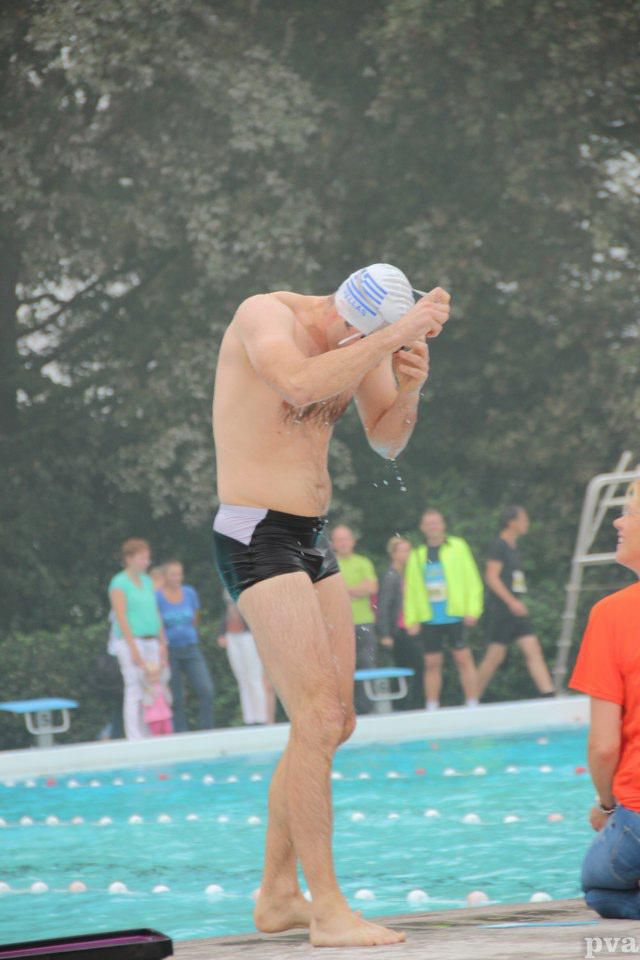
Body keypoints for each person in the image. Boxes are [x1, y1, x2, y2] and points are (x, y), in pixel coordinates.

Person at [212, 262, 449, 947]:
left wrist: (409, 387)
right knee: (313, 716)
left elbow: (386, 436)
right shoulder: (267, 315)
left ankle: (278, 893)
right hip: (254, 530)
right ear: (344, 311)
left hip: (310, 538)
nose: (358, 344)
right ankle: (328, 911)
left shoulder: (361, 340)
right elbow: (295, 382)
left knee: (336, 721)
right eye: (359, 334)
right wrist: (394, 334)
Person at [569, 479, 640, 919]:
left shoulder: (612, 614)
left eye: (631, 511)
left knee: (599, 888)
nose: (618, 519)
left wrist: (607, 807)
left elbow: (603, 746)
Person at [403, 509, 482, 710]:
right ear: (422, 528)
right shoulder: (416, 555)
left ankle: (473, 702)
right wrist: (410, 619)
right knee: (431, 662)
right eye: (428, 523)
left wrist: (473, 609)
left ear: (443, 525)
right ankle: (432, 705)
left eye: (436, 522)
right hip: (430, 616)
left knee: (463, 658)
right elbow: (411, 589)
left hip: (455, 612)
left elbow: (472, 579)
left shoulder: (458, 547)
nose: (433, 527)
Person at [476, 506, 555, 698]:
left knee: (532, 648)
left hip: (516, 608)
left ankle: (549, 695)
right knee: (495, 655)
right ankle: (472, 697)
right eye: (523, 519)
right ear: (511, 523)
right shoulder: (499, 546)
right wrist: (511, 602)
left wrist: (517, 603)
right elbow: (492, 577)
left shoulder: (513, 547)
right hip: (502, 608)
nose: (526, 523)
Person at [108, 538, 169, 740]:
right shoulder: (118, 583)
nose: (146, 561)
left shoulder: (147, 581)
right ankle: (134, 736)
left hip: (151, 639)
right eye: (142, 558)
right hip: (129, 641)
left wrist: (163, 641)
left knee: (151, 687)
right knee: (134, 686)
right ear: (129, 558)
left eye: (147, 558)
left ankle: (148, 732)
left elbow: (155, 611)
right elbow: (121, 616)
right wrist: (133, 648)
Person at [156, 560, 215, 731]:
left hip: (191, 647)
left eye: (179, 574)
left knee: (206, 690)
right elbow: (158, 623)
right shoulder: (158, 596)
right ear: (165, 576)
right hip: (170, 651)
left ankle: (206, 730)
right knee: (176, 697)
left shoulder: (189, 592)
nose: (177, 577)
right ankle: (181, 733)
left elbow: (195, 618)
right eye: (173, 574)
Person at [331, 525, 379, 714]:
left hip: (364, 622)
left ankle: (368, 708)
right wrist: (357, 590)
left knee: (367, 663)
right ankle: (344, 710)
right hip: (338, 624)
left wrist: (345, 590)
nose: (343, 543)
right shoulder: (329, 564)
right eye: (339, 539)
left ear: (353, 541)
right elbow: (327, 592)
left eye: (346, 538)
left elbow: (372, 587)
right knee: (341, 668)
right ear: (333, 544)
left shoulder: (363, 562)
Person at [377, 535, 423, 710]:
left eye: (408, 550)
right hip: (399, 631)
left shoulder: (409, 574)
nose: (407, 554)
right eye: (403, 550)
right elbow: (384, 605)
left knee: (415, 666)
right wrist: (385, 634)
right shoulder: (391, 576)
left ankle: (410, 704)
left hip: (412, 627)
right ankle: (405, 706)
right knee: (410, 666)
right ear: (393, 554)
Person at [217, 590, 270, 725]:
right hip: (232, 636)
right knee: (243, 680)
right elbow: (229, 611)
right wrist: (222, 632)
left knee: (254, 677)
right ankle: (249, 718)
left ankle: (262, 717)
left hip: (248, 636)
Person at [142, 662, 173, 735]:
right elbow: (146, 704)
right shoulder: (148, 689)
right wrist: (151, 695)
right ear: (147, 677)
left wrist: (165, 667)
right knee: (157, 734)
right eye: (151, 676)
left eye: (156, 675)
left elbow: (169, 700)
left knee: (169, 731)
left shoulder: (162, 686)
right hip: (154, 718)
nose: (155, 678)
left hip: (165, 715)